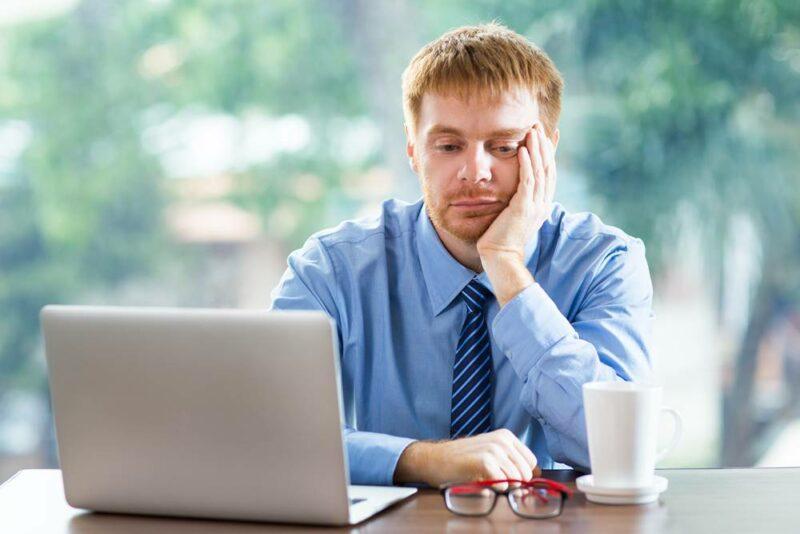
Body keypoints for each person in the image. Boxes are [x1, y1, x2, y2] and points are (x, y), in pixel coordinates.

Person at [270, 22, 654, 487]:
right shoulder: (330, 271)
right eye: (449, 146)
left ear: (547, 149)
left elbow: (616, 450)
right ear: (413, 149)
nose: (476, 172)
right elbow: (271, 437)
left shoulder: (605, 263)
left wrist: (508, 267)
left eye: (505, 146)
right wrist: (423, 461)